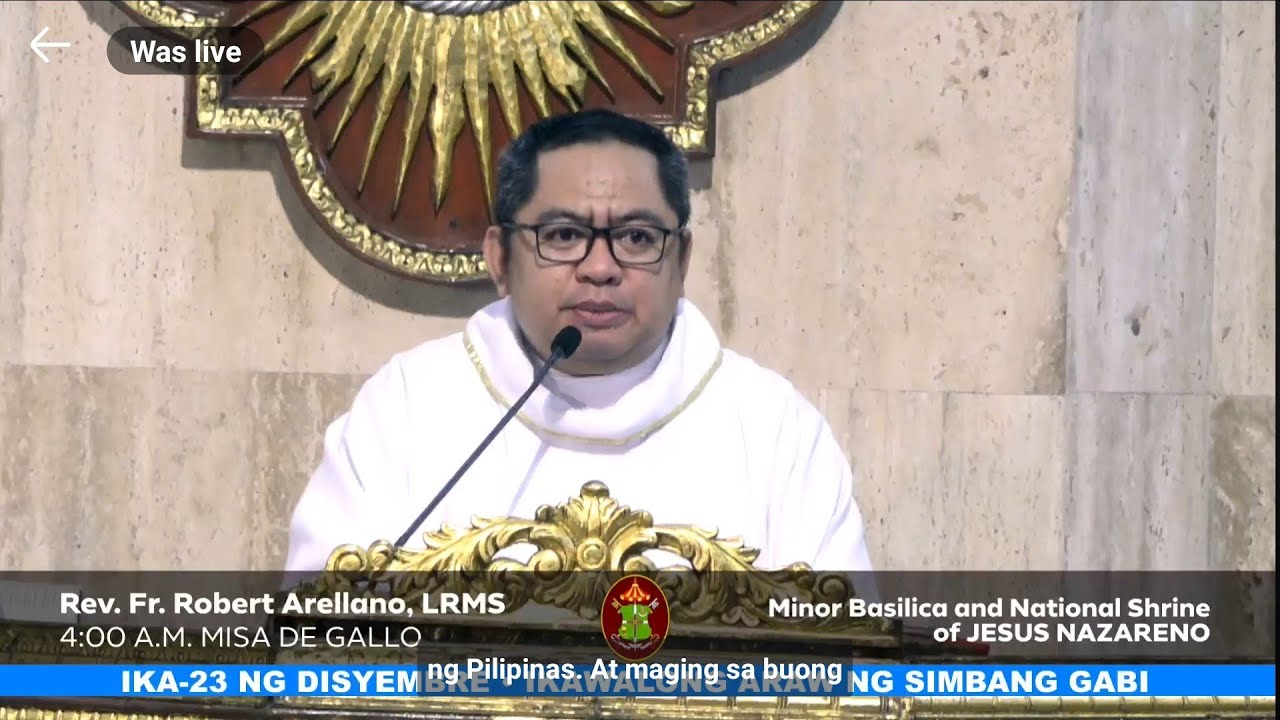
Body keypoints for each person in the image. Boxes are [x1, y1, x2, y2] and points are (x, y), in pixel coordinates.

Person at [285, 109, 873, 575]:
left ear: (682, 259)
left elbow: (841, 653)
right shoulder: (409, 408)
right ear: (499, 257)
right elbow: (321, 639)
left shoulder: (773, 429)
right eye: (564, 235)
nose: (600, 268)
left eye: (636, 237)